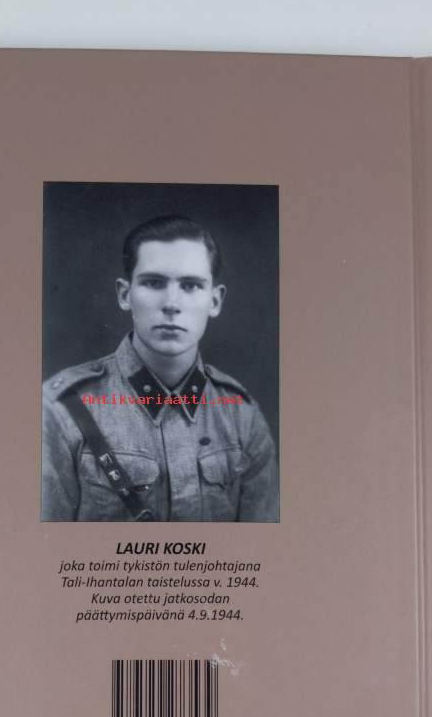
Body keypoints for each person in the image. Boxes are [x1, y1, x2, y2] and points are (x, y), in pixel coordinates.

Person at [41, 215, 278, 521]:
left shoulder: (241, 416)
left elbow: (263, 545)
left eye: (191, 285)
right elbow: (42, 545)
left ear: (215, 301)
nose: (171, 303)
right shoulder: (61, 409)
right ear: (125, 295)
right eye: (154, 283)